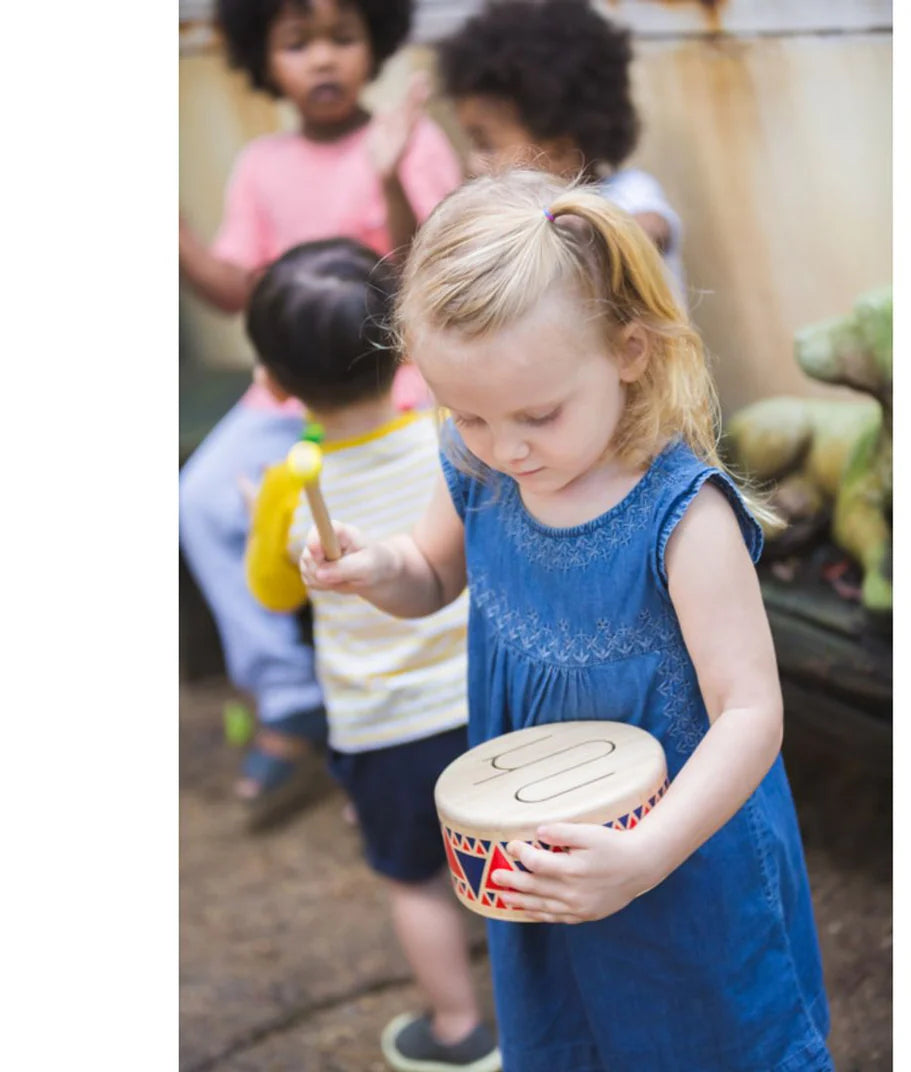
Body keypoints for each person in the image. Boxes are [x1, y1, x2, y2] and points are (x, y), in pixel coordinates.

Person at [299, 171, 833, 1072]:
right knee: (578, 1038)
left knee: (705, 1042)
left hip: (684, 863)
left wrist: (648, 854)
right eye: (465, 413)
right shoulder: (481, 469)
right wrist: (373, 568)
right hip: (541, 852)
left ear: (630, 350)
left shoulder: (681, 517)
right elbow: (431, 573)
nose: (504, 446)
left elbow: (751, 712)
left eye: (537, 415)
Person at [179, 0, 462, 826]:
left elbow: (431, 271)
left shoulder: (416, 143)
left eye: (341, 37)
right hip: (292, 392)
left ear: (373, 41)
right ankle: (291, 694)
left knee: (399, 514)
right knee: (199, 499)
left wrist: (386, 175)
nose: (324, 59)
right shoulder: (262, 165)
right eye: (298, 44)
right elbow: (237, 288)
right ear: (263, 58)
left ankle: (426, 698)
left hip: (394, 384)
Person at [243, 238, 501, 1072]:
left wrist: (265, 518)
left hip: (382, 724)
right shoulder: (452, 440)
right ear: (402, 344)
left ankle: (461, 1031)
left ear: (275, 383)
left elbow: (276, 596)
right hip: (483, 699)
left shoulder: (291, 484)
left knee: (416, 878)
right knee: (516, 860)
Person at [436, 0, 687, 298]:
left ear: (559, 149)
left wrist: (587, 229)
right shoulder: (515, 217)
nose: (475, 162)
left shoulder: (629, 193)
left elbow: (652, 230)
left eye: (486, 144)